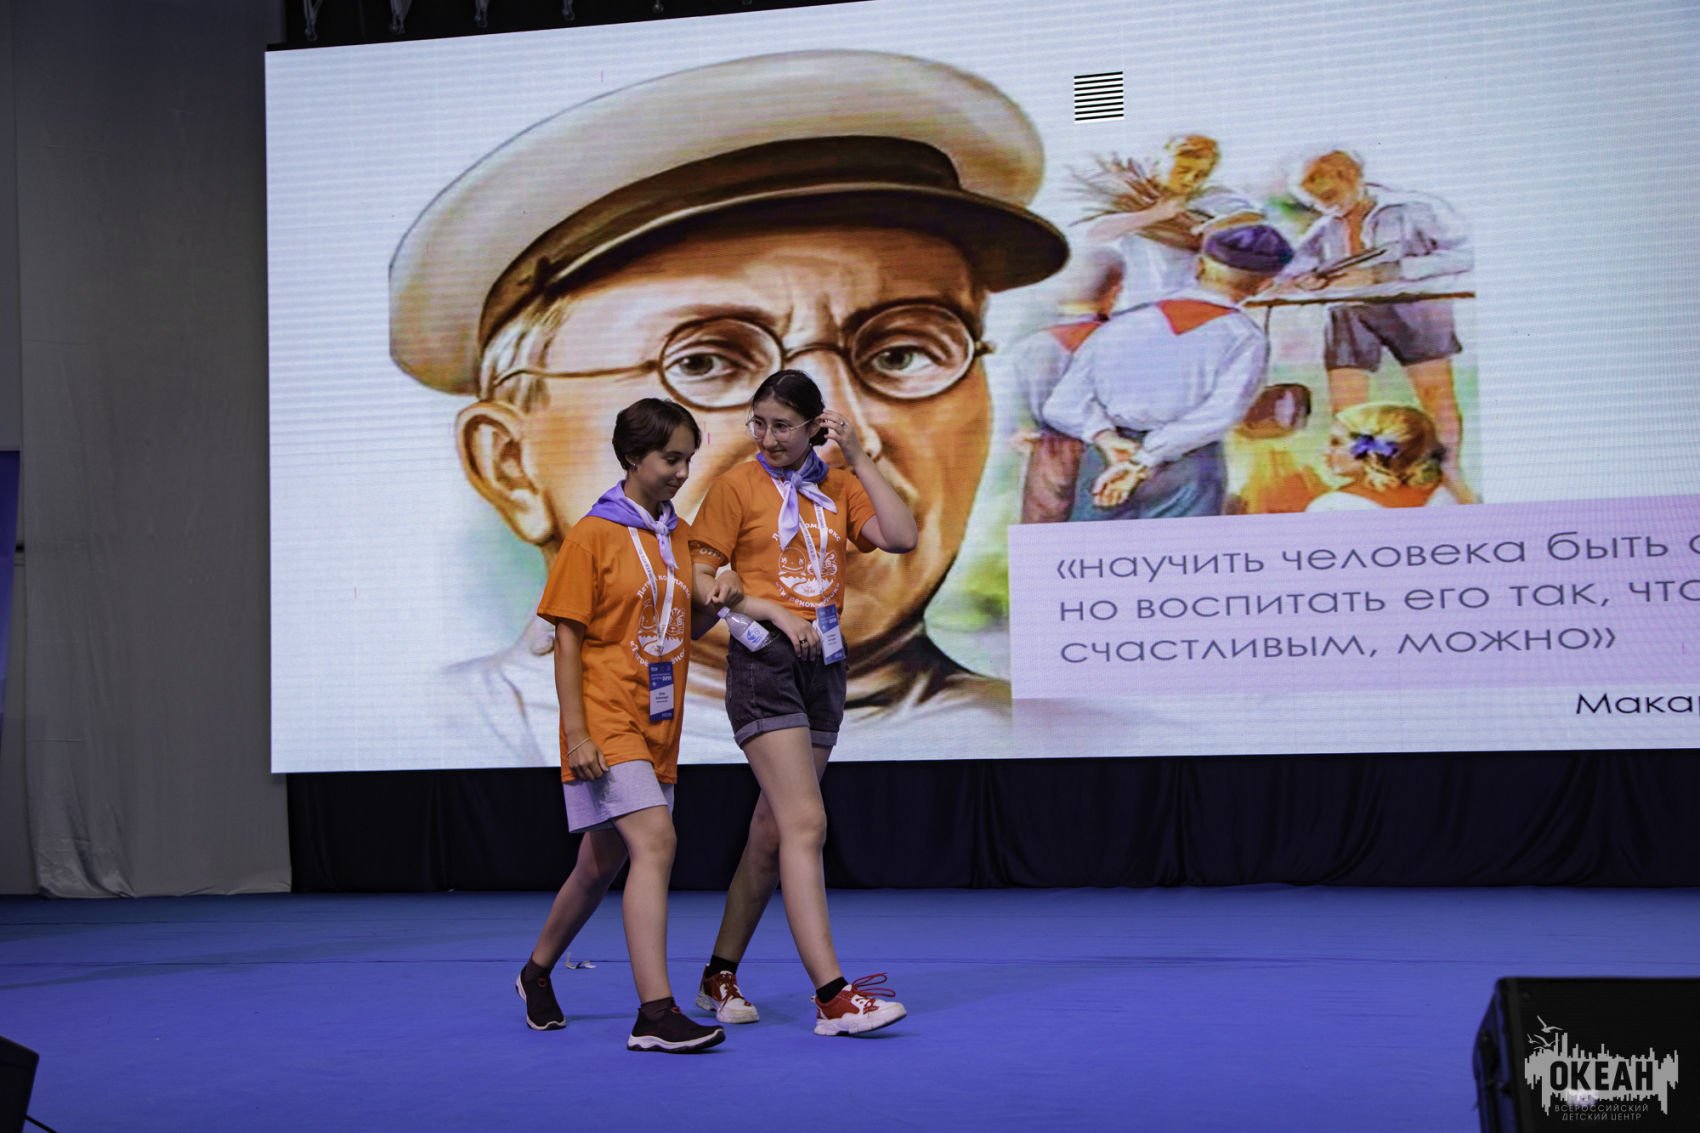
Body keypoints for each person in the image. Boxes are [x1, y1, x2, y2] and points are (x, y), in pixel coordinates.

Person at [387, 50, 1068, 766]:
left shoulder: (1075, 735)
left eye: (901, 354)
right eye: (705, 362)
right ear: (511, 465)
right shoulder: (445, 735)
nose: (829, 437)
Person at [687, 370, 916, 1036]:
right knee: (805, 823)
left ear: (816, 426)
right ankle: (832, 996)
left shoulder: (838, 485)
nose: (767, 437)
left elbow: (901, 536)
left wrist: (861, 460)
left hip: (825, 666)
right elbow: (698, 581)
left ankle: (717, 974)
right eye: (757, 423)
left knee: (772, 831)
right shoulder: (735, 485)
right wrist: (755, 602)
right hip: (764, 663)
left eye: (782, 425)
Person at [515, 398, 735, 1052]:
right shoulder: (591, 534)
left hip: (657, 721)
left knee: (601, 861)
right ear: (633, 457)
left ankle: (536, 971)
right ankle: (655, 1013)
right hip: (605, 717)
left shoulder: (679, 534)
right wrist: (578, 733)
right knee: (656, 841)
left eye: (688, 459)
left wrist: (716, 604)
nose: (682, 471)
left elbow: (681, 626)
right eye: (671, 458)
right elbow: (568, 641)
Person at [1042, 224, 1295, 520]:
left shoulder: (1123, 324)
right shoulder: (1245, 337)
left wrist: (1106, 439)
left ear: (1199, 266)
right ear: (1265, 285)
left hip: (1105, 460)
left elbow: (1061, 404)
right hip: (1188, 464)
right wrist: (1143, 460)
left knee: (1095, 544)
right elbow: (1221, 414)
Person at [1282, 150, 1476, 501]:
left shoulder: (1415, 207)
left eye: (1328, 196)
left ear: (1350, 175)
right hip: (1348, 310)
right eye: (1314, 202)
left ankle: (1448, 469)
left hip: (1417, 304)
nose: (1325, 207)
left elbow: (1466, 253)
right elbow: (1294, 268)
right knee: (1347, 402)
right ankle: (1362, 472)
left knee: (1434, 394)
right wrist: (1306, 279)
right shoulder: (1325, 225)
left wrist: (1389, 272)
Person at [1006, 249, 1124, 523]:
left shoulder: (1028, 347)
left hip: (1049, 455)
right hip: (1112, 453)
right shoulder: (1123, 343)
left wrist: (1017, 433)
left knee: (1045, 529)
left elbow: (1010, 413)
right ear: (1115, 292)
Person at [1083, 134, 1263, 307]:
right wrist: (1156, 214)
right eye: (1182, 171)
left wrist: (1211, 228)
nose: (1190, 180)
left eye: (1201, 174)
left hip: (1193, 300)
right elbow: (1094, 235)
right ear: (1157, 166)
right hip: (1140, 301)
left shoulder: (1213, 195)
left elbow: (1253, 218)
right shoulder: (1133, 196)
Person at [1305, 402, 1458, 510]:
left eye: (1336, 443)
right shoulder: (1447, 496)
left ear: (1372, 449)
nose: (1326, 452)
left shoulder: (1332, 506)